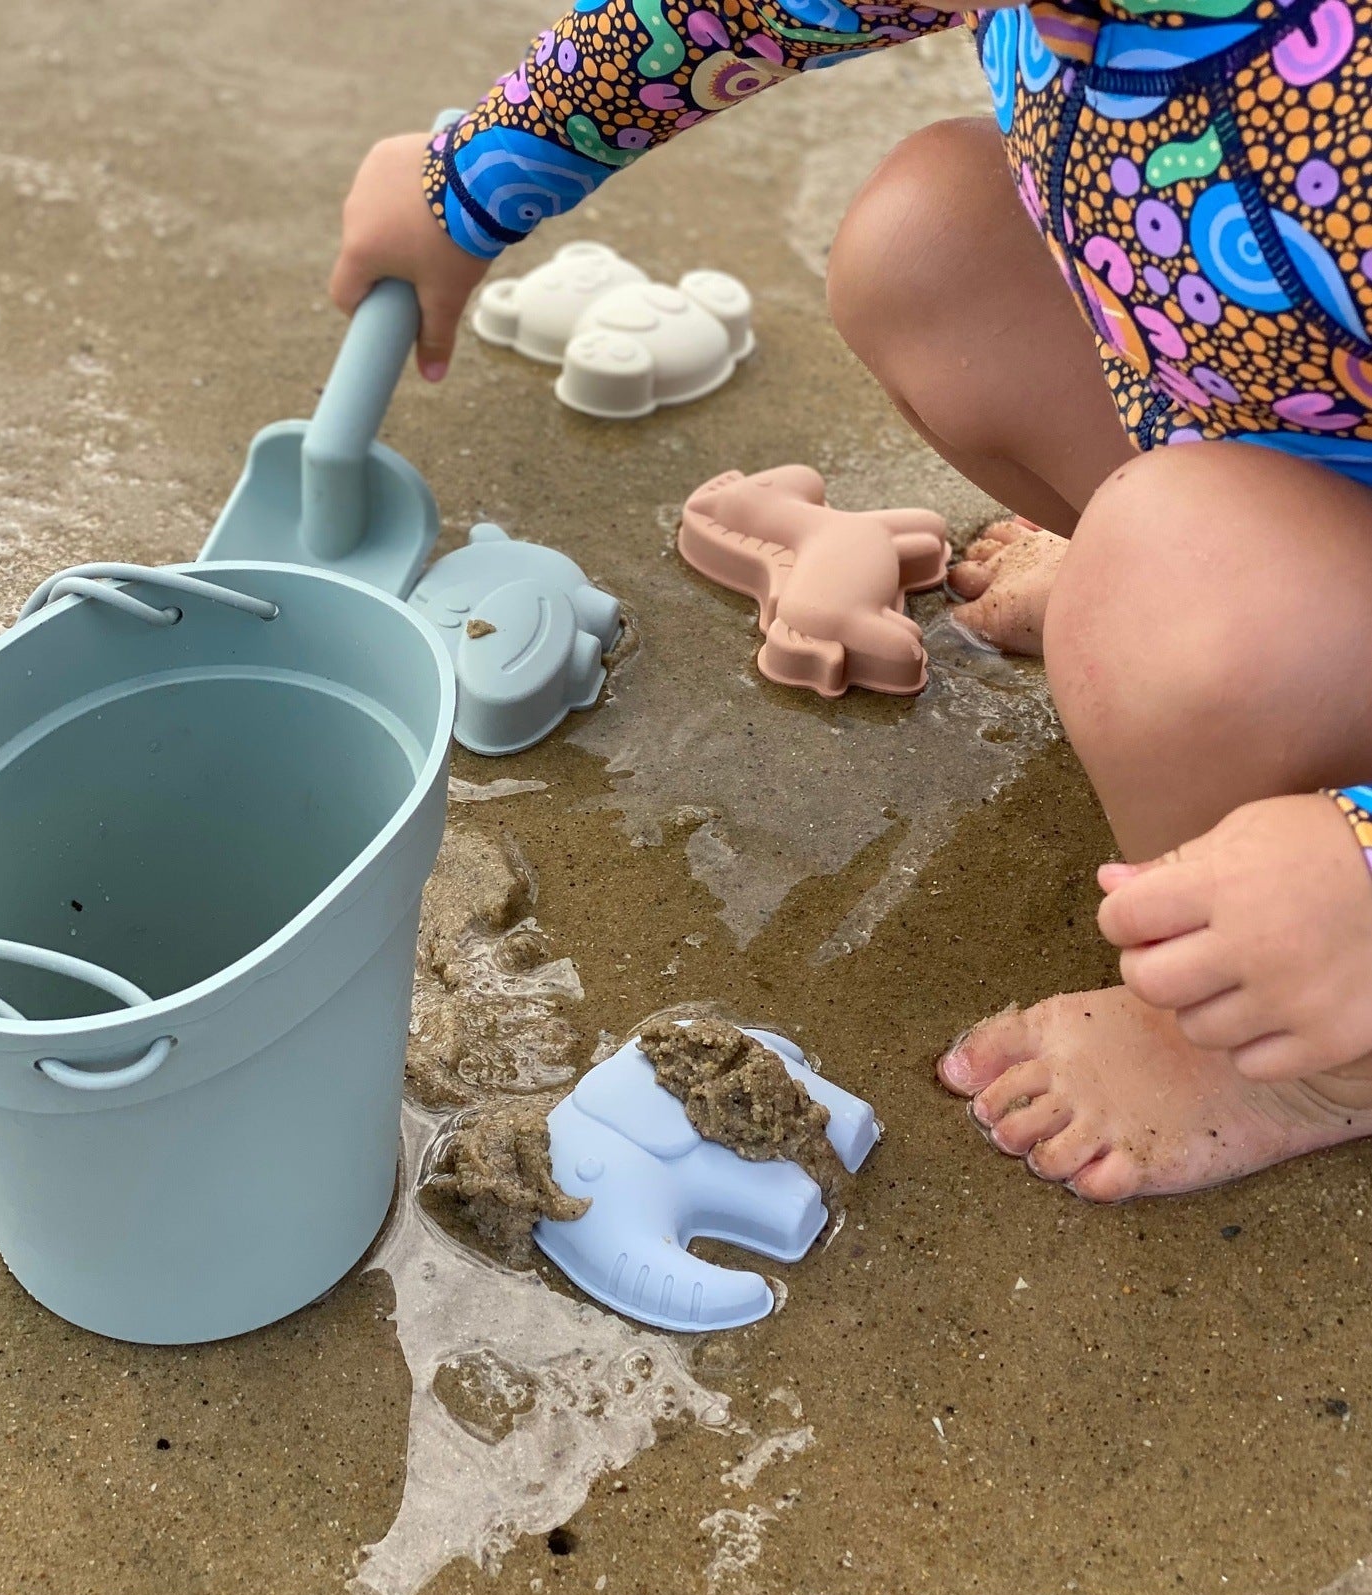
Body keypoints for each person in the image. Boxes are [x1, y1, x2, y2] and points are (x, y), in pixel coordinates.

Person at [330, 0, 1372, 1200]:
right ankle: (1209, 598)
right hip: (1260, 409)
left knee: (1173, 585)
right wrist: (473, 177)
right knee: (925, 246)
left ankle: (1316, 1061)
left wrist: (1351, 854)